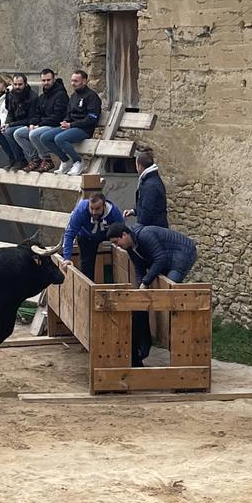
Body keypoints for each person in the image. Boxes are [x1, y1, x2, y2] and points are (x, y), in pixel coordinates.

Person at [107, 222, 198, 367]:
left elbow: (160, 259)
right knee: (158, 286)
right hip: (168, 255)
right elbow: (139, 266)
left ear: (124, 235)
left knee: (168, 289)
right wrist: (141, 285)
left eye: (116, 241)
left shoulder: (145, 236)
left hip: (183, 253)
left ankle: (173, 333)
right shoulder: (131, 246)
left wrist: (146, 281)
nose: (116, 245)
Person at [41, 70, 102, 176]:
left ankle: (78, 161)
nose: (73, 83)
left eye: (76, 81)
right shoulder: (73, 96)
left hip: (84, 129)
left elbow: (91, 119)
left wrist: (72, 125)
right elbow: (69, 114)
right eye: (72, 81)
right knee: (45, 137)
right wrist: (66, 121)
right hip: (70, 127)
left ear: (84, 81)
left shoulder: (92, 96)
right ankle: (65, 161)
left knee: (59, 138)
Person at [61, 192, 125, 281]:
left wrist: (121, 246)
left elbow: (122, 231)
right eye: (91, 208)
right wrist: (66, 258)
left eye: (97, 209)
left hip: (106, 233)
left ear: (104, 206)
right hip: (86, 236)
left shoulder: (113, 212)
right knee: (87, 267)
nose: (94, 212)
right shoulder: (81, 210)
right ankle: (88, 290)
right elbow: (69, 234)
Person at [18, 69, 69, 173]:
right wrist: (32, 123)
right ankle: (35, 159)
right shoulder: (42, 96)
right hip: (43, 125)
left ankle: (47, 159)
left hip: (55, 125)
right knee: (18, 133)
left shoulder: (61, 95)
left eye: (48, 80)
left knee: (33, 134)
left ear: (53, 79)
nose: (46, 82)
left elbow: (57, 117)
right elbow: (37, 114)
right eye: (44, 80)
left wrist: (39, 124)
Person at [0, 73, 36, 170]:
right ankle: (12, 158)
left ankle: (21, 160)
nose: (17, 87)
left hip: (27, 124)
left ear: (25, 84)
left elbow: (31, 118)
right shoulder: (11, 95)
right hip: (15, 124)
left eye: (20, 84)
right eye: (15, 84)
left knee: (9, 131)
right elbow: (10, 112)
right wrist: (6, 124)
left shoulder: (32, 96)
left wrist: (10, 125)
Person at [124, 148, 168, 228]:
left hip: (153, 229)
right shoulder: (151, 180)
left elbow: (147, 211)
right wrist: (134, 211)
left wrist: (138, 229)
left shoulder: (150, 185)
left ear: (139, 165)